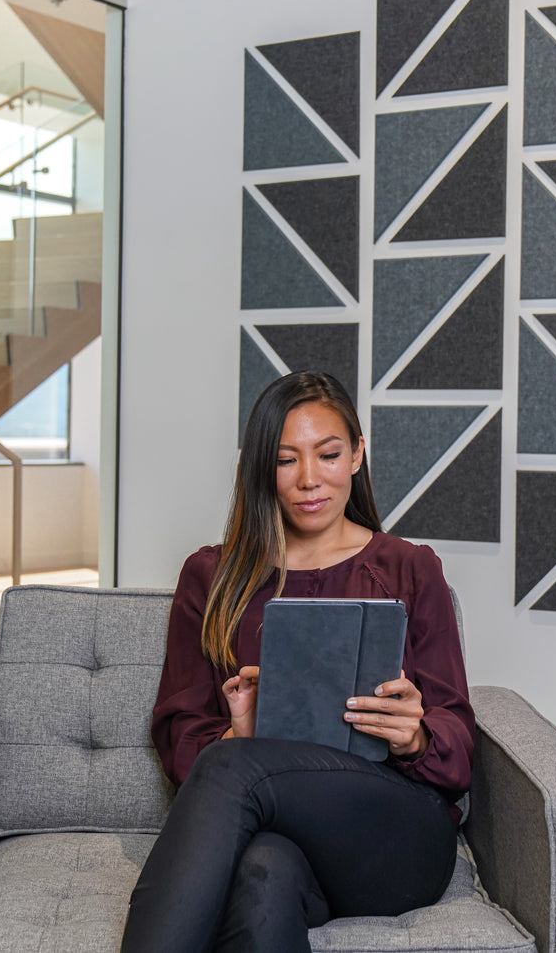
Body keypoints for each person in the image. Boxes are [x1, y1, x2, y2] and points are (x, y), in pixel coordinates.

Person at [121, 371, 474, 953]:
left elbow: (459, 747)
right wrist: (243, 731)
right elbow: (178, 733)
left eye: (329, 454)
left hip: (393, 836)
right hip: (277, 835)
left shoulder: (410, 568)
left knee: (233, 767)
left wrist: (415, 736)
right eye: (286, 460)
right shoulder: (211, 576)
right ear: (262, 468)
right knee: (264, 872)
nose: (310, 479)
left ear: (357, 454)